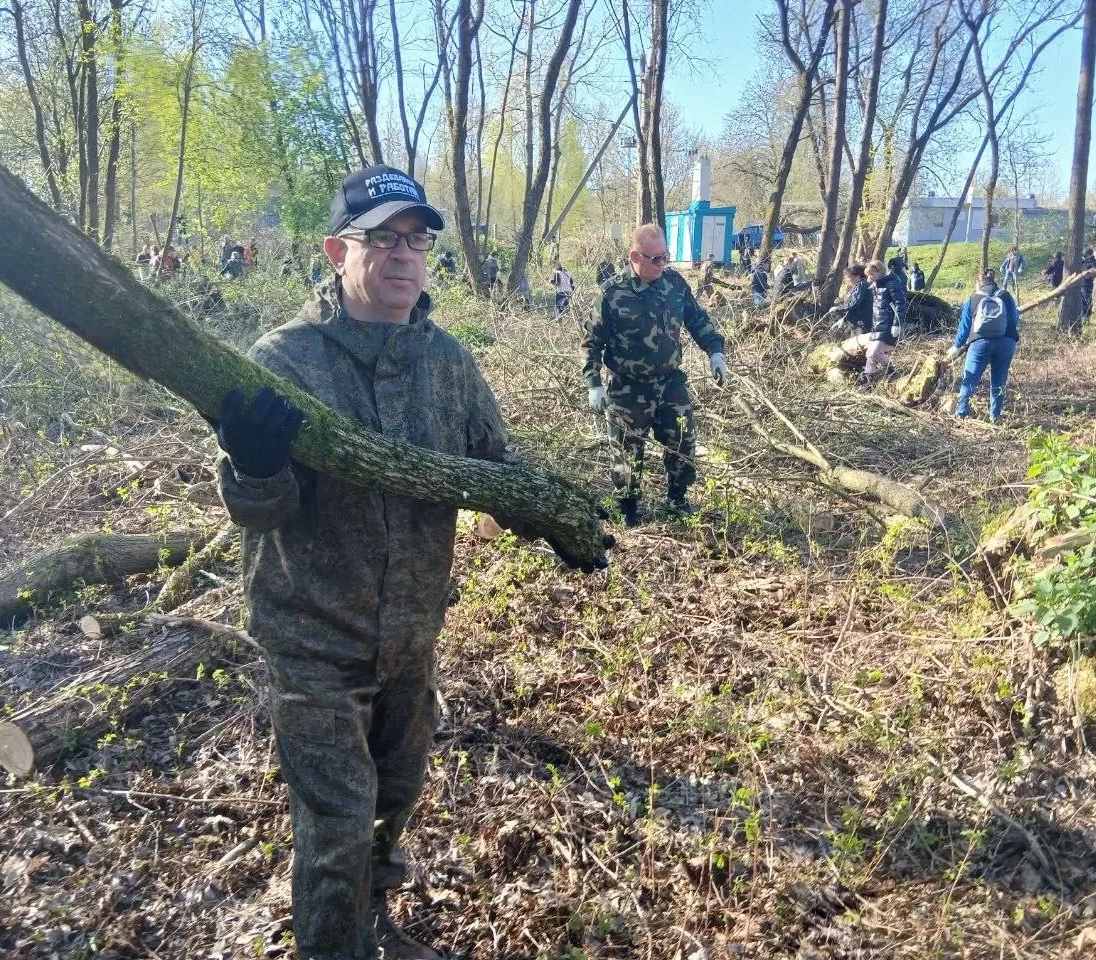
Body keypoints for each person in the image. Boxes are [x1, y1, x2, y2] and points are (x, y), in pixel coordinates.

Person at [215, 163, 609, 960]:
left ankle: (374, 924)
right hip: (314, 637)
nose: (404, 255)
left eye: (417, 240)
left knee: (395, 797)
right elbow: (260, 513)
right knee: (336, 825)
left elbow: (495, 468)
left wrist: (553, 518)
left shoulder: (448, 362)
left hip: (411, 632)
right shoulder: (283, 362)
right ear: (337, 251)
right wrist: (252, 464)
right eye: (383, 239)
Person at [584, 223, 728, 528]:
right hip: (628, 387)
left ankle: (677, 498)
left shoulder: (673, 284)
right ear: (635, 257)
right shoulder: (613, 292)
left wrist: (715, 351)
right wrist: (594, 383)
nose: (662, 264)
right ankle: (629, 508)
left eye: (666, 257)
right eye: (655, 259)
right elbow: (592, 342)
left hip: (669, 382)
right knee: (627, 449)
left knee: (683, 440)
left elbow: (697, 319)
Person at [946, 268, 1020, 421]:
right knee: (999, 379)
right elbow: (1014, 320)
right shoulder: (1006, 296)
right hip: (1006, 343)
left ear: (978, 283)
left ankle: (961, 412)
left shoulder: (973, 299)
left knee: (970, 378)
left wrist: (956, 346)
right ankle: (995, 416)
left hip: (980, 343)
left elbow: (964, 328)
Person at [862, 260, 898, 380]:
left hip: (888, 326)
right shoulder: (875, 287)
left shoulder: (891, 284)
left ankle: (891, 370)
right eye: (868, 275)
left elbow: (900, 305)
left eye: (871, 274)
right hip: (877, 326)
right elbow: (877, 311)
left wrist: (896, 325)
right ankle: (868, 378)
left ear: (879, 272)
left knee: (875, 353)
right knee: (869, 355)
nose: (870, 278)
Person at [824, 264, 873, 336]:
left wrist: (838, 308)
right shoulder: (855, 287)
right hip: (855, 324)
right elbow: (852, 308)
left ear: (856, 275)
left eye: (848, 276)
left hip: (862, 324)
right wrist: (844, 319)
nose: (846, 279)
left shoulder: (862, 285)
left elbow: (855, 304)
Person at [1080, 247, 1096, 319]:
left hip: (1087, 283)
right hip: (1082, 283)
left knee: (1086, 300)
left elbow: (1093, 273)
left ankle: (1086, 317)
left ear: (1090, 254)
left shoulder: (1092, 262)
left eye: (1086, 255)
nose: (1085, 257)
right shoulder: (1084, 261)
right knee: (1082, 300)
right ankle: (1084, 316)